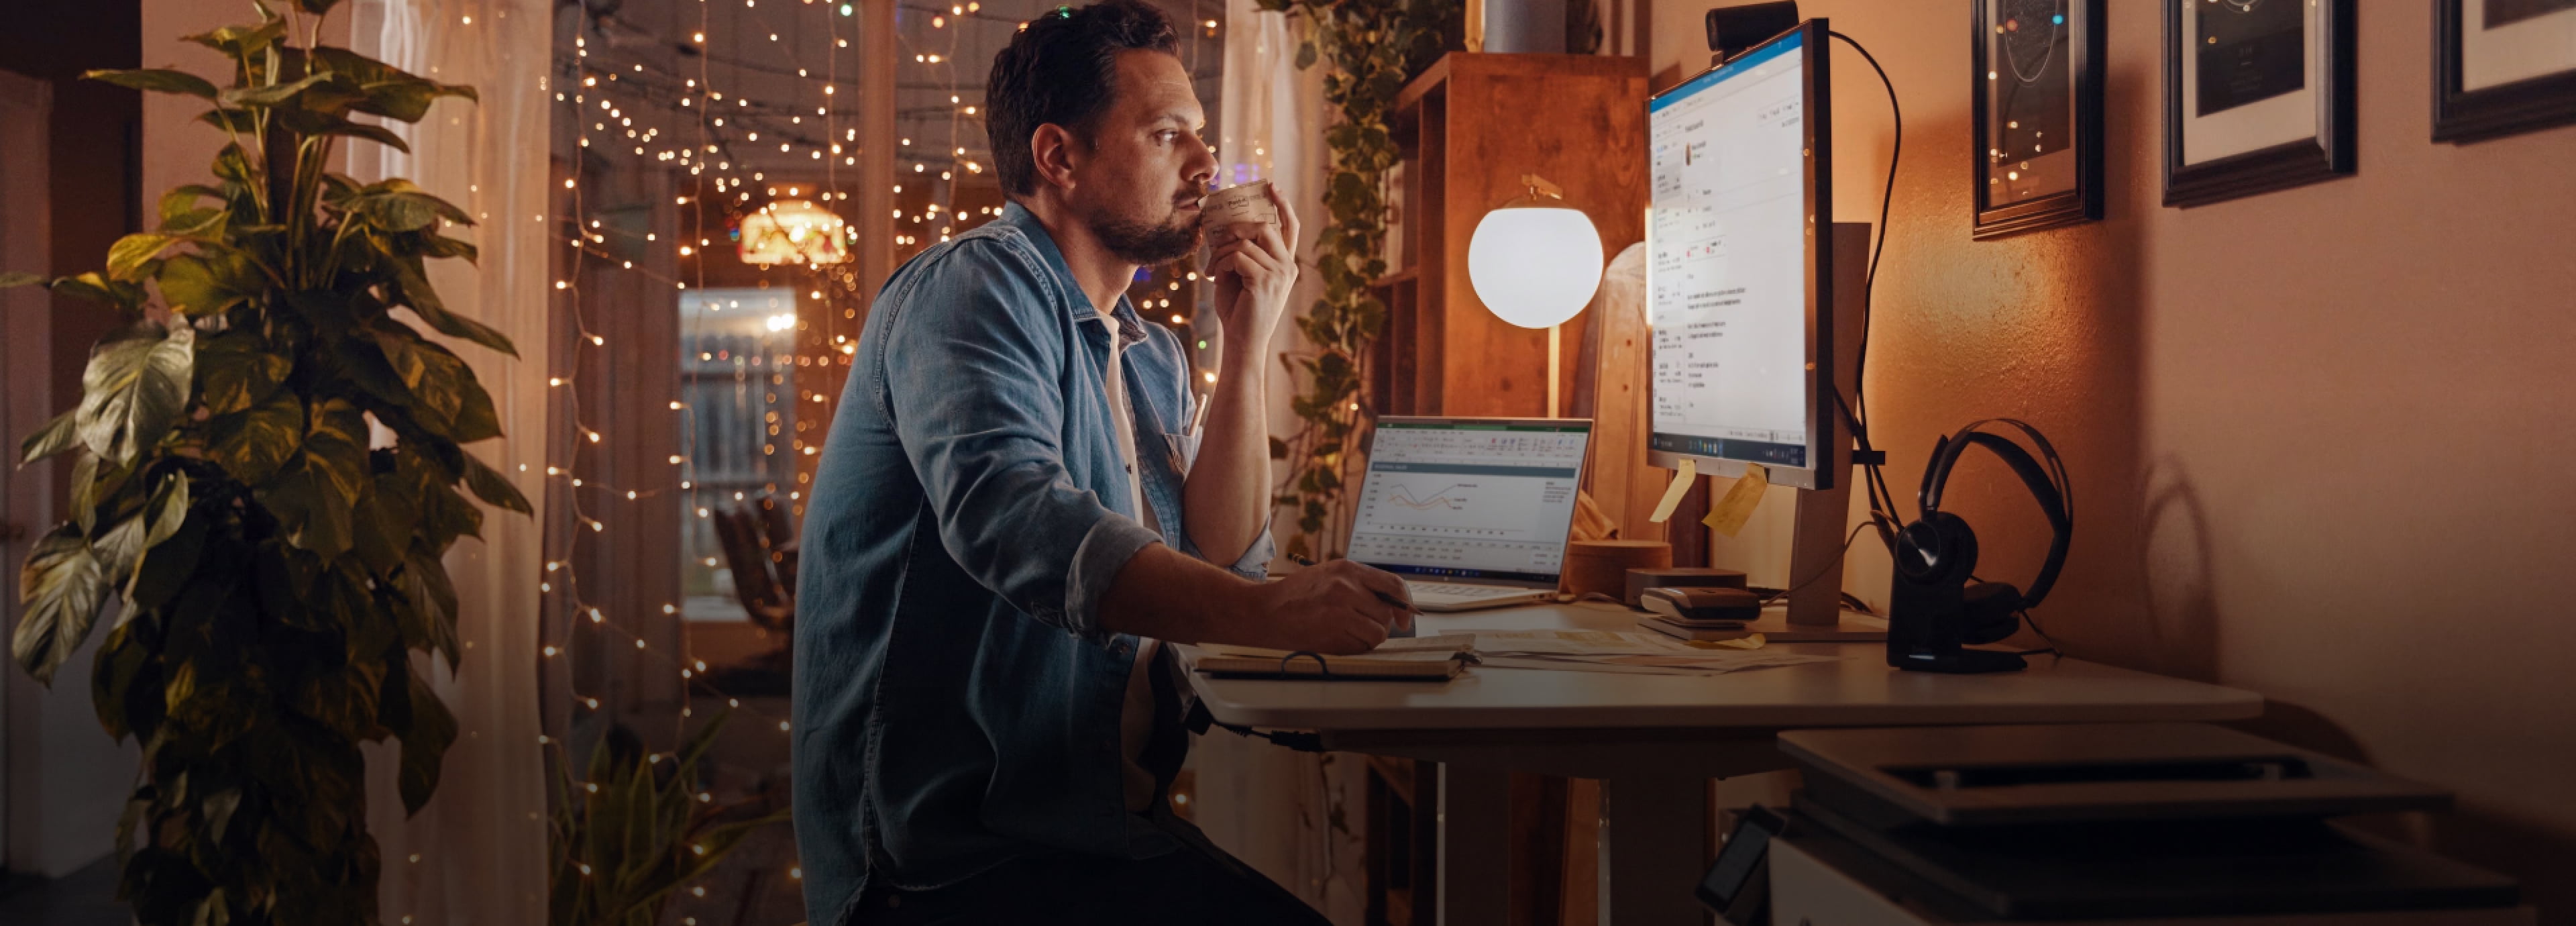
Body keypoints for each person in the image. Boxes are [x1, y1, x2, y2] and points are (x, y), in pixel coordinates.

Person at [790, 2, 1413, 923]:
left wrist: (1249, 343)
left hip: (1092, 828)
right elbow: (1017, 524)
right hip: (955, 859)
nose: (1206, 165)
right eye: (1168, 135)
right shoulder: (974, 286)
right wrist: (1272, 609)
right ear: (1059, 157)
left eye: (1201, 137)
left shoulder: (1146, 352)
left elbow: (1220, 559)